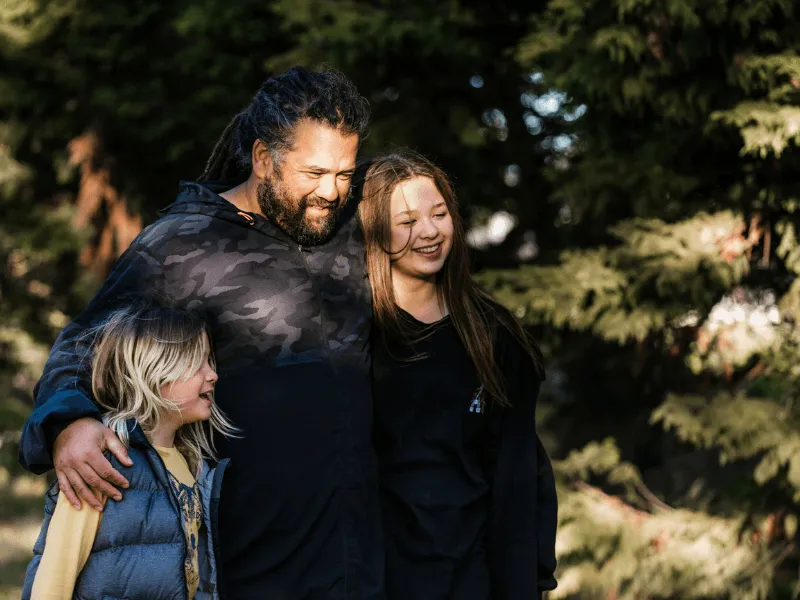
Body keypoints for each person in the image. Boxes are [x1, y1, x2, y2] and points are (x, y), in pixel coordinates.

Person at [19, 66, 384, 599]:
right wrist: (67, 425)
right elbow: (81, 347)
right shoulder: (179, 245)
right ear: (263, 159)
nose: (331, 191)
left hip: (358, 564)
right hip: (247, 565)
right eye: (314, 172)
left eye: (344, 173)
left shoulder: (350, 227)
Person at [358, 150, 558, 600]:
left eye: (440, 214)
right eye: (407, 221)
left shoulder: (493, 334)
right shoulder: (352, 335)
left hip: (475, 574)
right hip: (379, 576)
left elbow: (522, 470)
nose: (429, 232)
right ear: (373, 231)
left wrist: (534, 577)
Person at [22, 300, 237, 600]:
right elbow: (55, 572)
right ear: (152, 370)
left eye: (210, 362)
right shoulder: (104, 461)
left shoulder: (193, 466)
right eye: (197, 362)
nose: (212, 375)